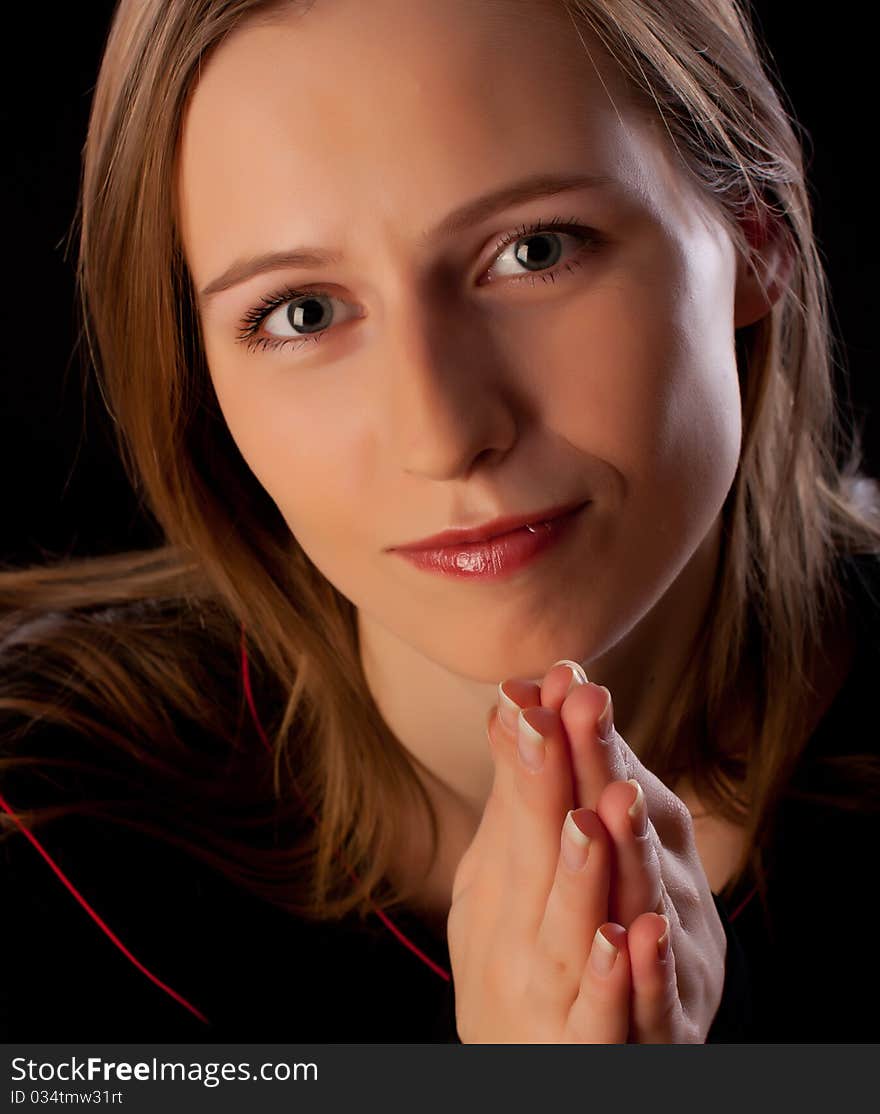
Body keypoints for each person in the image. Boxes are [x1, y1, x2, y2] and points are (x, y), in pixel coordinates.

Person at [1, 0, 878, 1043]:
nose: (443, 436)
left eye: (534, 249)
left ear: (756, 233)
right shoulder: (39, 841)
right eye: (302, 312)